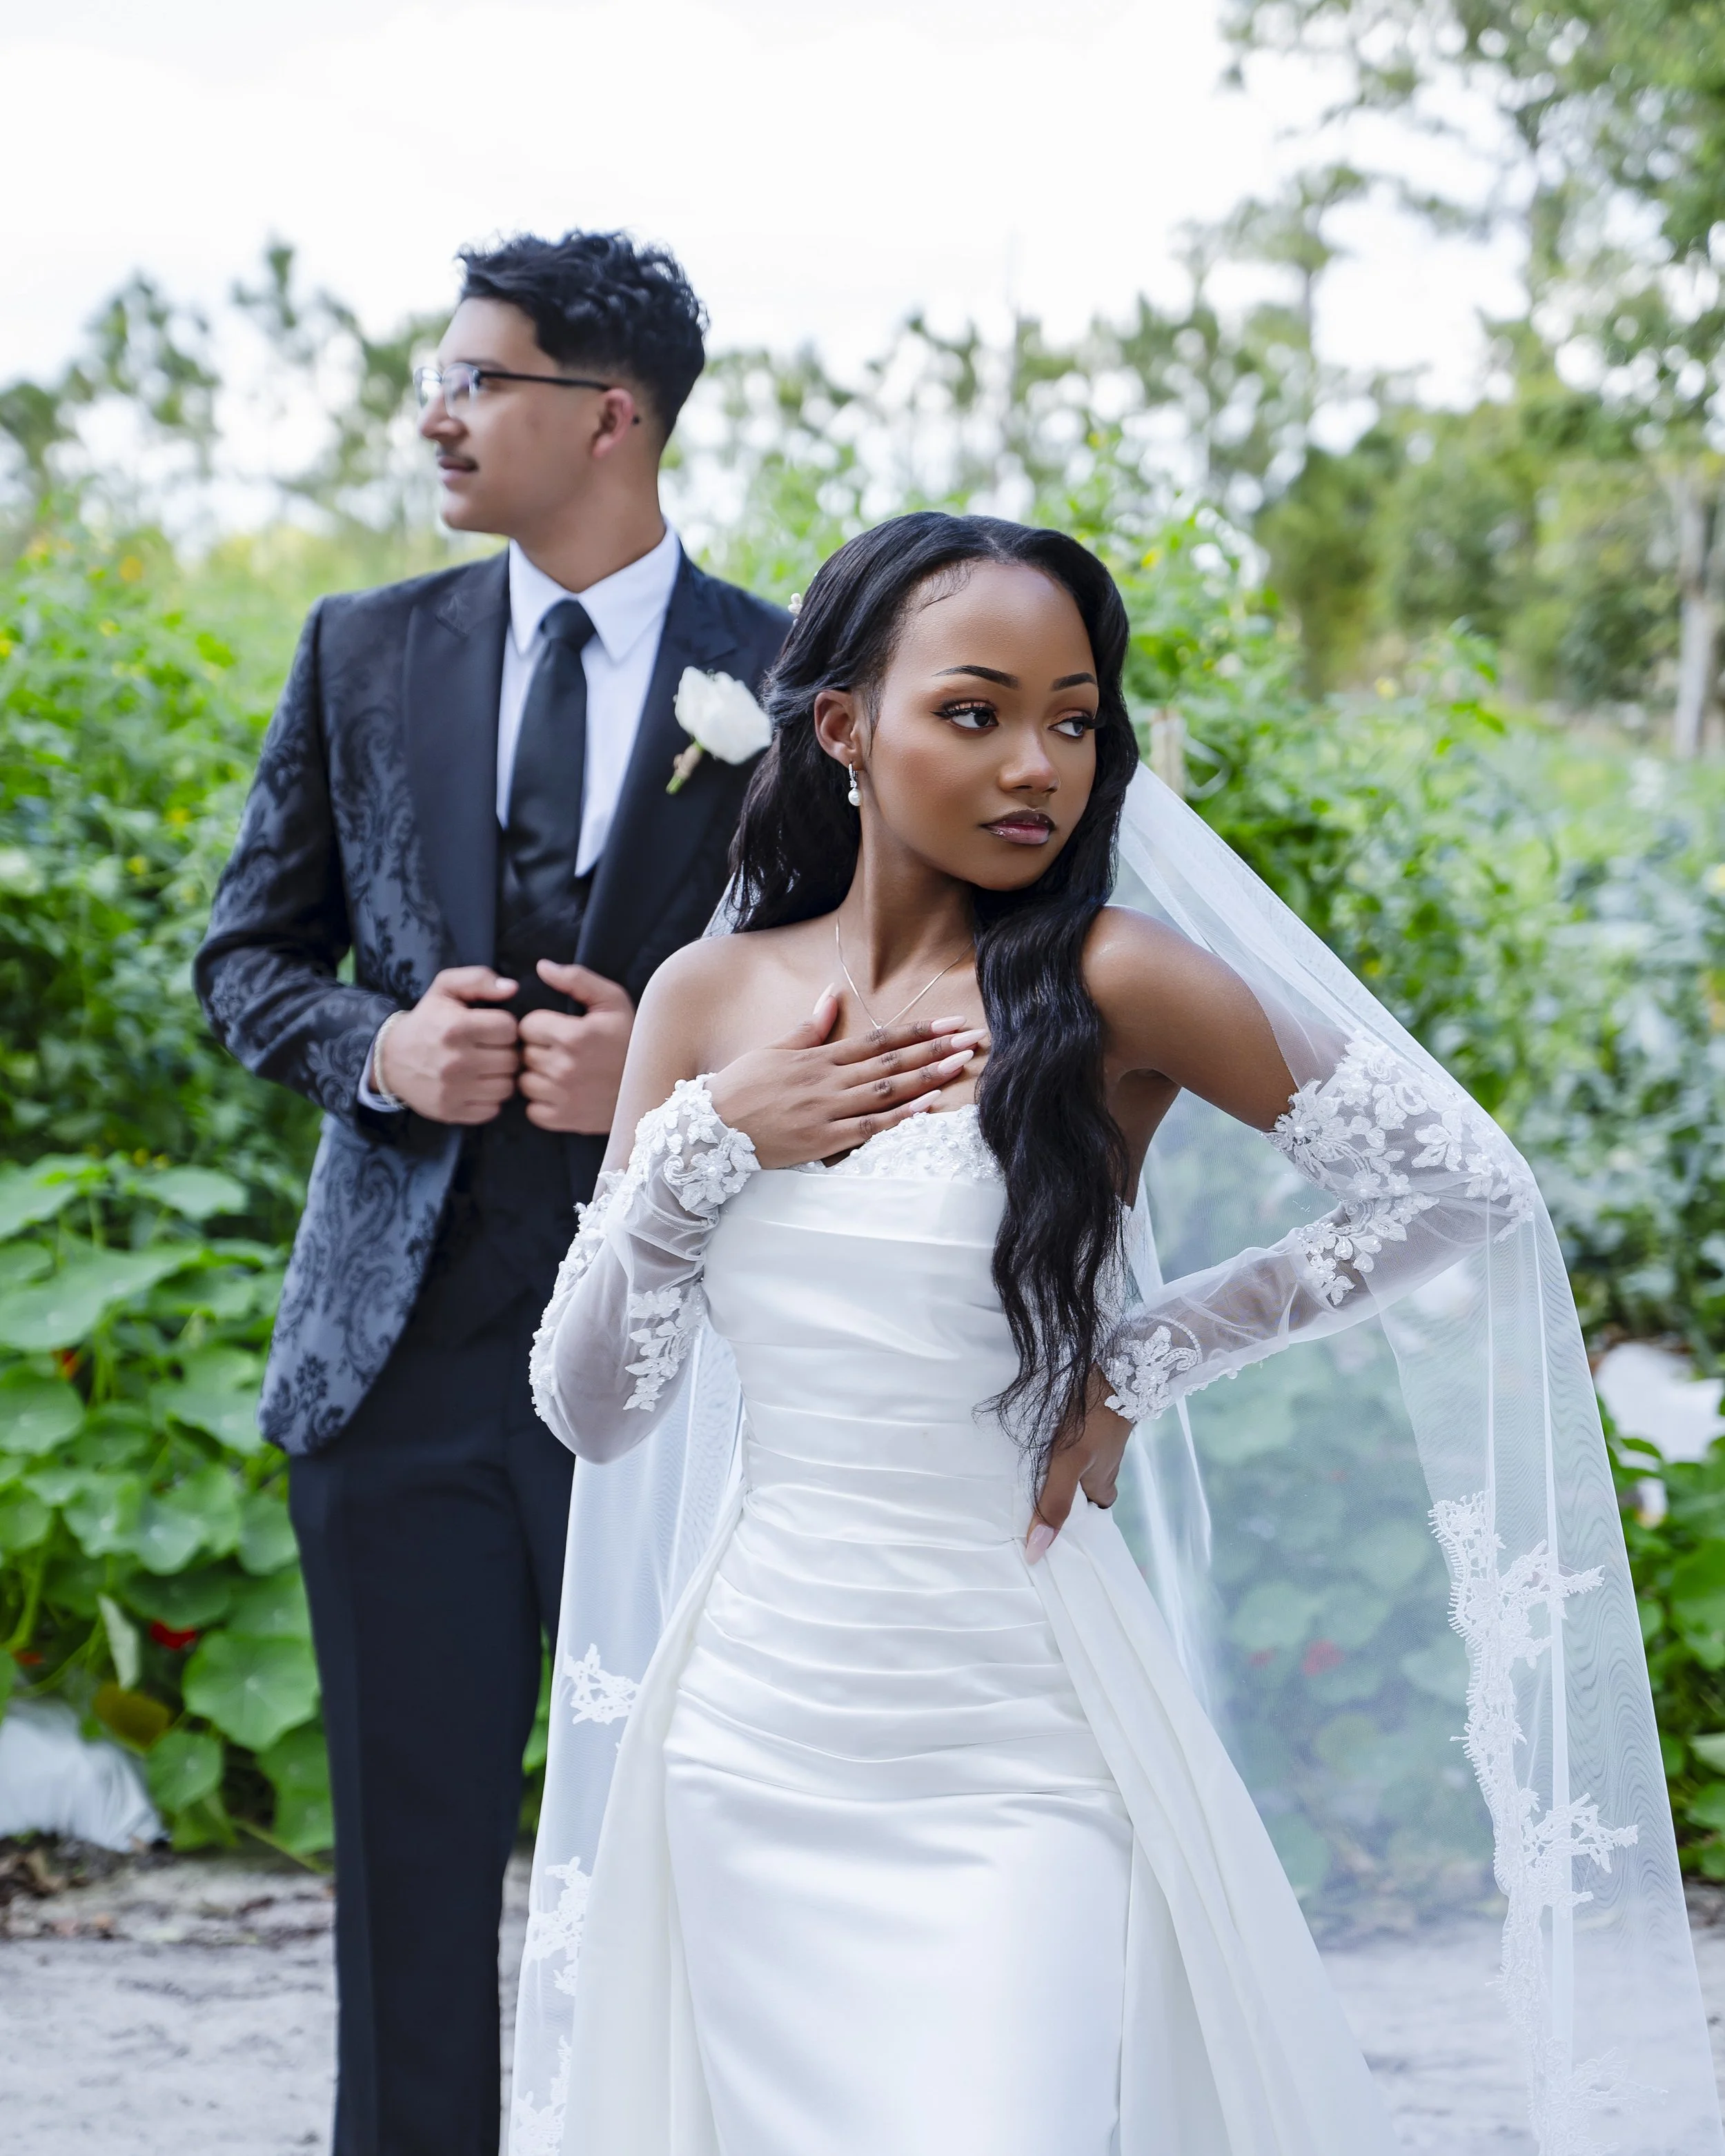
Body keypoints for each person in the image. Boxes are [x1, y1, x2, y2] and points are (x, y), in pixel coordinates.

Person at [511, 513, 1723, 2155]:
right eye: (977, 710)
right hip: (750, 1730)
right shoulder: (704, 1001)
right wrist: (713, 1138)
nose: (1038, 766)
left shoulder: (1114, 977)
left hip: (1018, 1729)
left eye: (1074, 719)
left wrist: (1148, 1354)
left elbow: (1460, 1184)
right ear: (844, 727)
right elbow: (596, 1408)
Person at [194, 230, 787, 2156]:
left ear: (608, 414)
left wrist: (667, 1080)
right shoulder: (363, 649)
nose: (432, 413)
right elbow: (242, 957)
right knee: (410, 1886)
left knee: (701, 1870)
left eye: (475, 380)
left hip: (702, 1380)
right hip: (407, 1366)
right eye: (438, 378)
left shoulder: (795, 677)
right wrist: (381, 1046)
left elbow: (884, 993)